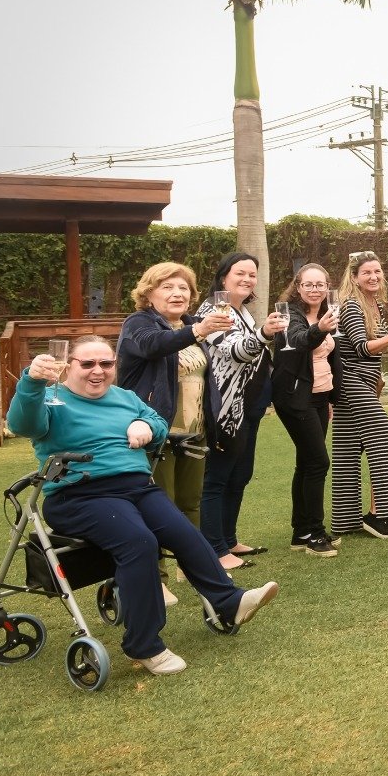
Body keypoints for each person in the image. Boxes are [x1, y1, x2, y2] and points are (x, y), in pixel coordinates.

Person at [7, 336, 278, 676]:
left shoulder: (124, 397)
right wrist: (31, 382)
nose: (98, 371)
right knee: (140, 543)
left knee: (186, 534)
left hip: (137, 488)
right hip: (80, 496)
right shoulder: (51, 398)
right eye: (87, 364)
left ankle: (229, 602)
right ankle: (145, 645)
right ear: (68, 366)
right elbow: (22, 425)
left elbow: (160, 423)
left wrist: (145, 425)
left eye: (106, 364)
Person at [117, 262, 231, 602]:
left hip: (194, 430)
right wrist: (198, 332)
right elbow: (155, 345)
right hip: (156, 431)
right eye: (167, 287)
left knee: (189, 503)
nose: (177, 293)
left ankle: (194, 567)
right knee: (157, 506)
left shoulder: (194, 324)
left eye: (183, 288)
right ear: (149, 293)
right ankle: (156, 577)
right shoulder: (138, 324)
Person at [194, 252, 283, 570]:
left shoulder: (241, 310)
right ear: (222, 277)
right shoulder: (213, 310)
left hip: (251, 405)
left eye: (252, 275)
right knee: (218, 477)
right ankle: (214, 549)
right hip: (228, 409)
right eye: (240, 273)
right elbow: (235, 350)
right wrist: (264, 334)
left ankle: (229, 539)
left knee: (239, 475)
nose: (247, 279)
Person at [333, 250, 388, 539]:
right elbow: (361, 348)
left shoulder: (374, 304)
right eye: (366, 272)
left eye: (377, 271)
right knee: (386, 440)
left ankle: (346, 520)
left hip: (365, 382)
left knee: (347, 449)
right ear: (354, 277)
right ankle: (378, 515)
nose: (374, 276)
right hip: (351, 381)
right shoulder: (352, 306)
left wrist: (377, 379)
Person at [270, 263, 342, 557]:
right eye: (309, 284)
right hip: (294, 397)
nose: (315, 289)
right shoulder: (289, 315)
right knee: (318, 463)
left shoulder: (327, 314)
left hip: (319, 396)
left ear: (327, 287)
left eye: (320, 284)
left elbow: (332, 356)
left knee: (306, 462)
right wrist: (320, 329)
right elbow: (298, 341)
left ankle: (301, 531)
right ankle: (315, 532)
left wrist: (333, 398)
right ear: (298, 287)